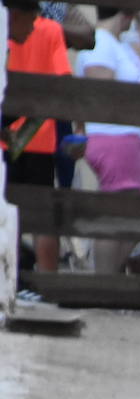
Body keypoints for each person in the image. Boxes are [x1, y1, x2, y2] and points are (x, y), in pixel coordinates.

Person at [73, 6, 140, 275]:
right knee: (120, 214)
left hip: (125, 141)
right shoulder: (101, 45)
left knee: (132, 215)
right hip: (114, 139)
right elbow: (104, 97)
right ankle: (105, 278)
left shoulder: (118, 45)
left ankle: (108, 278)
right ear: (125, 13)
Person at [4, 0, 71, 286]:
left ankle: (11, 277)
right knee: (43, 215)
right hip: (39, 137)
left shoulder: (8, 27)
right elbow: (62, 82)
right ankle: (48, 282)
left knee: (7, 207)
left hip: (6, 140)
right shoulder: (52, 30)